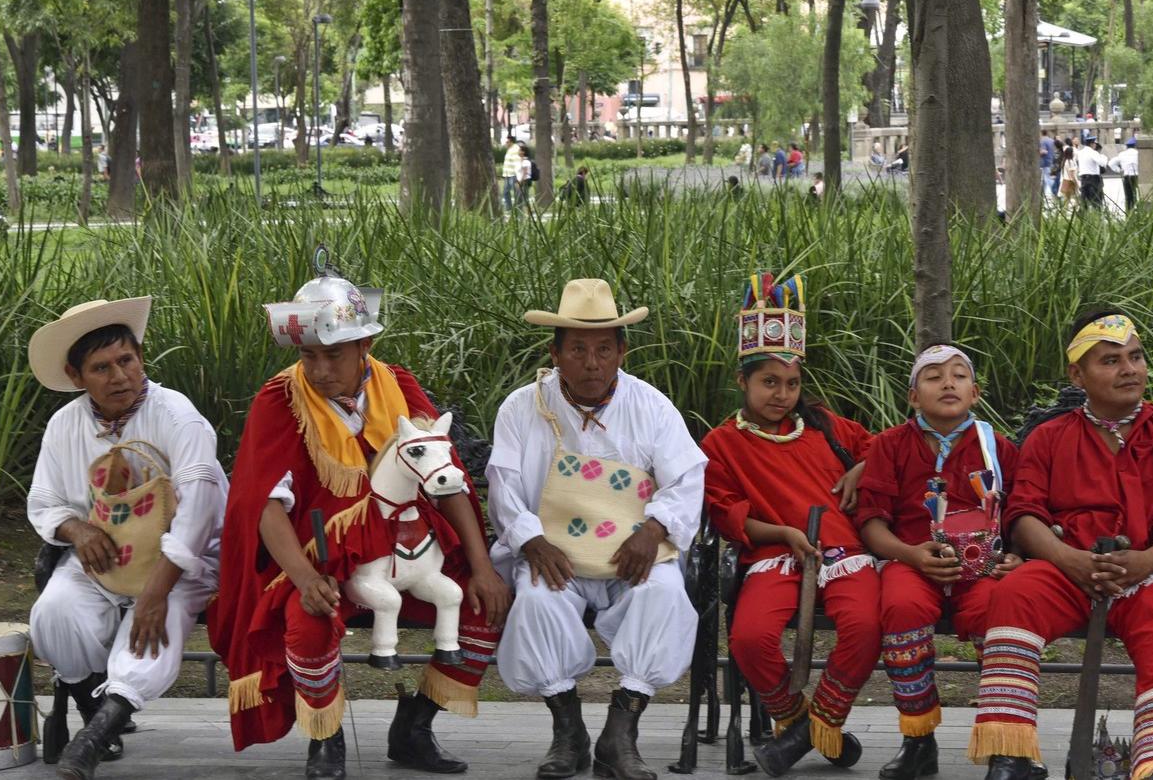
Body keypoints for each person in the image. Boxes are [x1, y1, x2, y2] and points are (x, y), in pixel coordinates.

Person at [209, 250, 506, 780]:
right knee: (308, 621)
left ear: (366, 346)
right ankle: (326, 738)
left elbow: (449, 478)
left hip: (409, 545)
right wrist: (303, 578)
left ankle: (415, 727)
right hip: (315, 553)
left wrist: (481, 564)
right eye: (309, 356)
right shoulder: (278, 399)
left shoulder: (399, 386)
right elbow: (262, 505)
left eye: (336, 355)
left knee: (485, 606)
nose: (321, 371)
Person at [966, 309, 1153, 780]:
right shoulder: (1049, 437)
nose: (1129, 369)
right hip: (1068, 569)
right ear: (1076, 374)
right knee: (1014, 594)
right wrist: (1069, 560)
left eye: (1136, 356)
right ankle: (1012, 751)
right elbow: (1023, 515)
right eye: (1110, 361)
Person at [487, 279, 706, 780]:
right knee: (539, 600)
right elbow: (503, 485)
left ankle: (620, 732)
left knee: (665, 594)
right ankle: (568, 732)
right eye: (579, 350)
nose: (592, 363)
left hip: (633, 553)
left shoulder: (651, 406)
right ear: (555, 352)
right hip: (554, 553)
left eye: (604, 349)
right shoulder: (524, 408)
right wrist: (532, 540)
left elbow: (687, 478)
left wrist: (653, 531)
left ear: (622, 352)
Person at [25, 297, 228, 780]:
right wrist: (77, 529)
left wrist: (157, 592)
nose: (118, 376)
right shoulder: (65, 424)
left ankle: (92, 741)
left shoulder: (177, 415)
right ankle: (99, 718)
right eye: (101, 367)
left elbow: (199, 511)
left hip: (179, 560)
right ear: (77, 377)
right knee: (53, 615)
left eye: (126, 360)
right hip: (104, 558)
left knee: (152, 628)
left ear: (141, 358)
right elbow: (45, 500)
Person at [702, 274, 876, 777]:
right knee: (749, 638)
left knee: (866, 625)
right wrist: (783, 534)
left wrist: (860, 469)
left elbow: (881, 450)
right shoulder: (721, 443)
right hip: (776, 553)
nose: (782, 395)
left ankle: (816, 724)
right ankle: (802, 723)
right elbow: (728, 513)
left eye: (792, 383)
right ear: (743, 382)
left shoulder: (823, 423)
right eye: (769, 382)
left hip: (842, 552)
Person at [857, 345, 1023, 780]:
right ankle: (918, 739)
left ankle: (1008, 744)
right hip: (912, 561)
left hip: (981, 568)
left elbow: (1023, 515)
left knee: (1000, 612)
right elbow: (872, 523)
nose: (947, 383)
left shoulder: (997, 448)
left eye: (958, 376)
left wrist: (1015, 557)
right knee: (900, 606)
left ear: (975, 392)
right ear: (913, 397)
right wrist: (911, 554)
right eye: (933, 377)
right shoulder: (891, 445)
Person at [1075, 136, 1109, 210]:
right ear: (1091, 144)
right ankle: (1097, 218)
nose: (1095, 145)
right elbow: (1102, 163)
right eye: (1094, 144)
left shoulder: (1080, 152)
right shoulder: (1093, 152)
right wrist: (1104, 157)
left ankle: (1082, 219)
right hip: (1093, 180)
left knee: (1084, 202)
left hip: (1083, 179)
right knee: (1096, 202)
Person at [1109, 137, 1140, 211]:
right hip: (1137, 176)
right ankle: (1138, 210)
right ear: (1135, 145)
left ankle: (1129, 212)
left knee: (1128, 196)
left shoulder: (1122, 154)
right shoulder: (1138, 153)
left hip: (1127, 177)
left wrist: (1119, 170)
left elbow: (1111, 163)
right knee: (1138, 194)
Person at [501, 135, 523, 213]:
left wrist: (518, 176)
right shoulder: (510, 149)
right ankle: (509, 208)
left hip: (513, 175)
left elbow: (517, 163)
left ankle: (518, 208)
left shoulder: (515, 149)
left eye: (507, 142)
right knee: (505, 192)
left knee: (516, 193)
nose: (506, 143)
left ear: (511, 142)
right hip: (508, 175)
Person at [1039, 130, 1058, 195]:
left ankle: (1054, 190)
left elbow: (1044, 151)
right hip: (1051, 161)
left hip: (1045, 162)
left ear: (1041, 133)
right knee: (1045, 178)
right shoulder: (1052, 141)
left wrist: (1037, 152)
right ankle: (1042, 193)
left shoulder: (1043, 141)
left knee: (1047, 178)